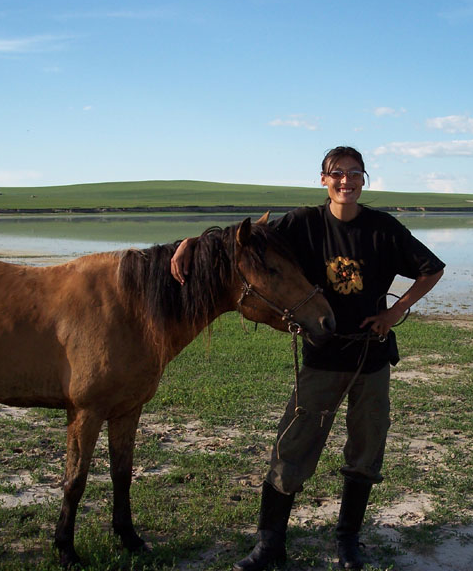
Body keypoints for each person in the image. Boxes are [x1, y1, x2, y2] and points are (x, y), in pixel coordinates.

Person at [171, 146, 444, 570]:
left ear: (364, 180)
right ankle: (269, 546)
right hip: (322, 357)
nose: (346, 182)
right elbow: (244, 241)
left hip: (370, 360)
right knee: (293, 446)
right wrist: (193, 242)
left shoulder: (383, 228)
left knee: (366, 449)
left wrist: (393, 312)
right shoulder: (303, 224)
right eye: (338, 174)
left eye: (355, 174)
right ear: (323, 179)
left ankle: (348, 541)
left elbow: (431, 269)